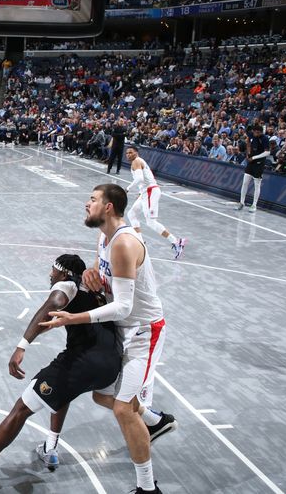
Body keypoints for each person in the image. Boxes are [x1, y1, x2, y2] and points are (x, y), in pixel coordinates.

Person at [42, 184, 177, 494]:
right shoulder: (104, 236)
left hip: (145, 331)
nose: (86, 203)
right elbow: (104, 278)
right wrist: (92, 276)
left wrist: (73, 317)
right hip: (122, 330)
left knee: (122, 409)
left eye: (92, 199)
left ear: (108, 207)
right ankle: (155, 422)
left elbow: (125, 306)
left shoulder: (124, 243)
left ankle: (147, 487)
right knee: (101, 395)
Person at [0, 254, 121, 492]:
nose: (50, 274)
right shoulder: (94, 291)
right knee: (63, 391)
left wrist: (22, 345)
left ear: (64, 273)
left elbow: (53, 304)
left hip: (84, 362)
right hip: (111, 364)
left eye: (53, 270)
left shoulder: (67, 285)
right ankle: (50, 449)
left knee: (21, 409)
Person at [125, 146, 187, 259]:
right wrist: (140, 193)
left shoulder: (136, 161)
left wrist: (127, 189)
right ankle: (140, 242)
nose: (128, 154)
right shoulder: (137, 161)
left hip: (150, 191)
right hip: (146, 192)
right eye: (127, 153)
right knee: (131, 214)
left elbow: (139, 179)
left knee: (151, 222)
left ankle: (177, 242)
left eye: (131, 152)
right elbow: (144, 179)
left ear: (136, 153)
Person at [236, 123, 270, 212]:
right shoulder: (251, 134)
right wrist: (248, 153)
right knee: (245, 182)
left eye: (258, 133)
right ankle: (241, 202)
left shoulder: (265, 139)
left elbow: (267, 153)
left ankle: (254, 205)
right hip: (250, 162)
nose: (256, 134)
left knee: (257, 185)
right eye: (255, 132)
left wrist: (254, 157)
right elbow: (248, 140)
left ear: (261, 132)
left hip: (259, 163)